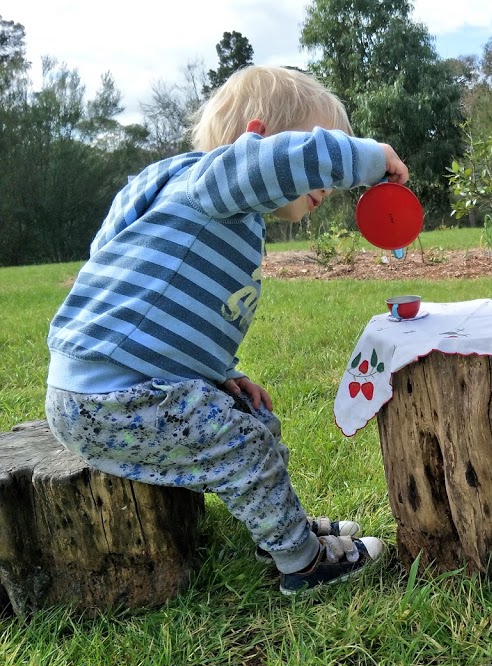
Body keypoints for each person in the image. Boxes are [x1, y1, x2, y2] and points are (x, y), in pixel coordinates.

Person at [44, 65, 409, 595]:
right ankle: (303, 565)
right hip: (109, 398)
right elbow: (282, 163)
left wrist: (214, 375)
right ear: (254, 144)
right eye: (318, 151)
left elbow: (143, 293)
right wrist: (370, 157)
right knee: (242, 448)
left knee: (252, 418)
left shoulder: (188, 196)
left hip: (120, 383)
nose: (327, 182)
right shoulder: (213, 180)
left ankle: (281, 528)